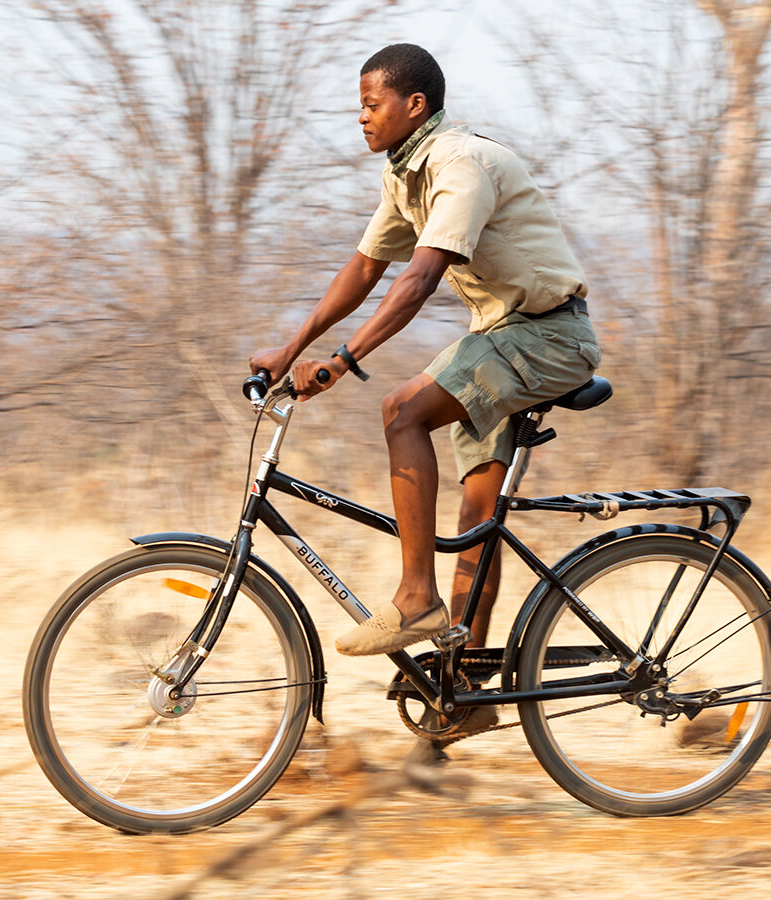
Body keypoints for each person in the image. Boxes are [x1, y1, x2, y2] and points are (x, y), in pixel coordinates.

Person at [249, 42, 599, 664]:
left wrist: (343, 359)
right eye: (359, 106)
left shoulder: (459, 162)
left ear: (415, 105)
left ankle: (416, 599)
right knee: (476, 527)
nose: (361, 117)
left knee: (401, 411)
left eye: (370, 103)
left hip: (546, 336)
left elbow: (417, 280)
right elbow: (364, 270)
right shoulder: (405, 172)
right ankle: (461, 686)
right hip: (505, 337)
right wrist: (290, 349)